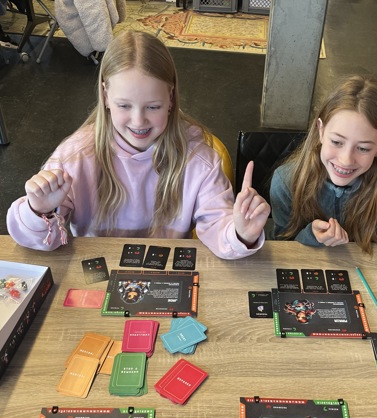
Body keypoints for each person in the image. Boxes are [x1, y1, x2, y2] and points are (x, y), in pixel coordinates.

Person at [6, 31, 270, 260]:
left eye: (153, 107)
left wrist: (240, 234)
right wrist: (38, 211)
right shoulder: (74, 157)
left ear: (171, 98)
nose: (138, 121)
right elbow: (41, 241)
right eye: (124, 105)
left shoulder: (198, 159)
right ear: (105, 96)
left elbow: (219, 228)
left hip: (165, 276)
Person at [270, 75, 377, 254]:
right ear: (320, 130)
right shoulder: (285, 182)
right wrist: (311, 236)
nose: (346, 160)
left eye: (363, 148)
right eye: (337, 142)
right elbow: (281, 245)